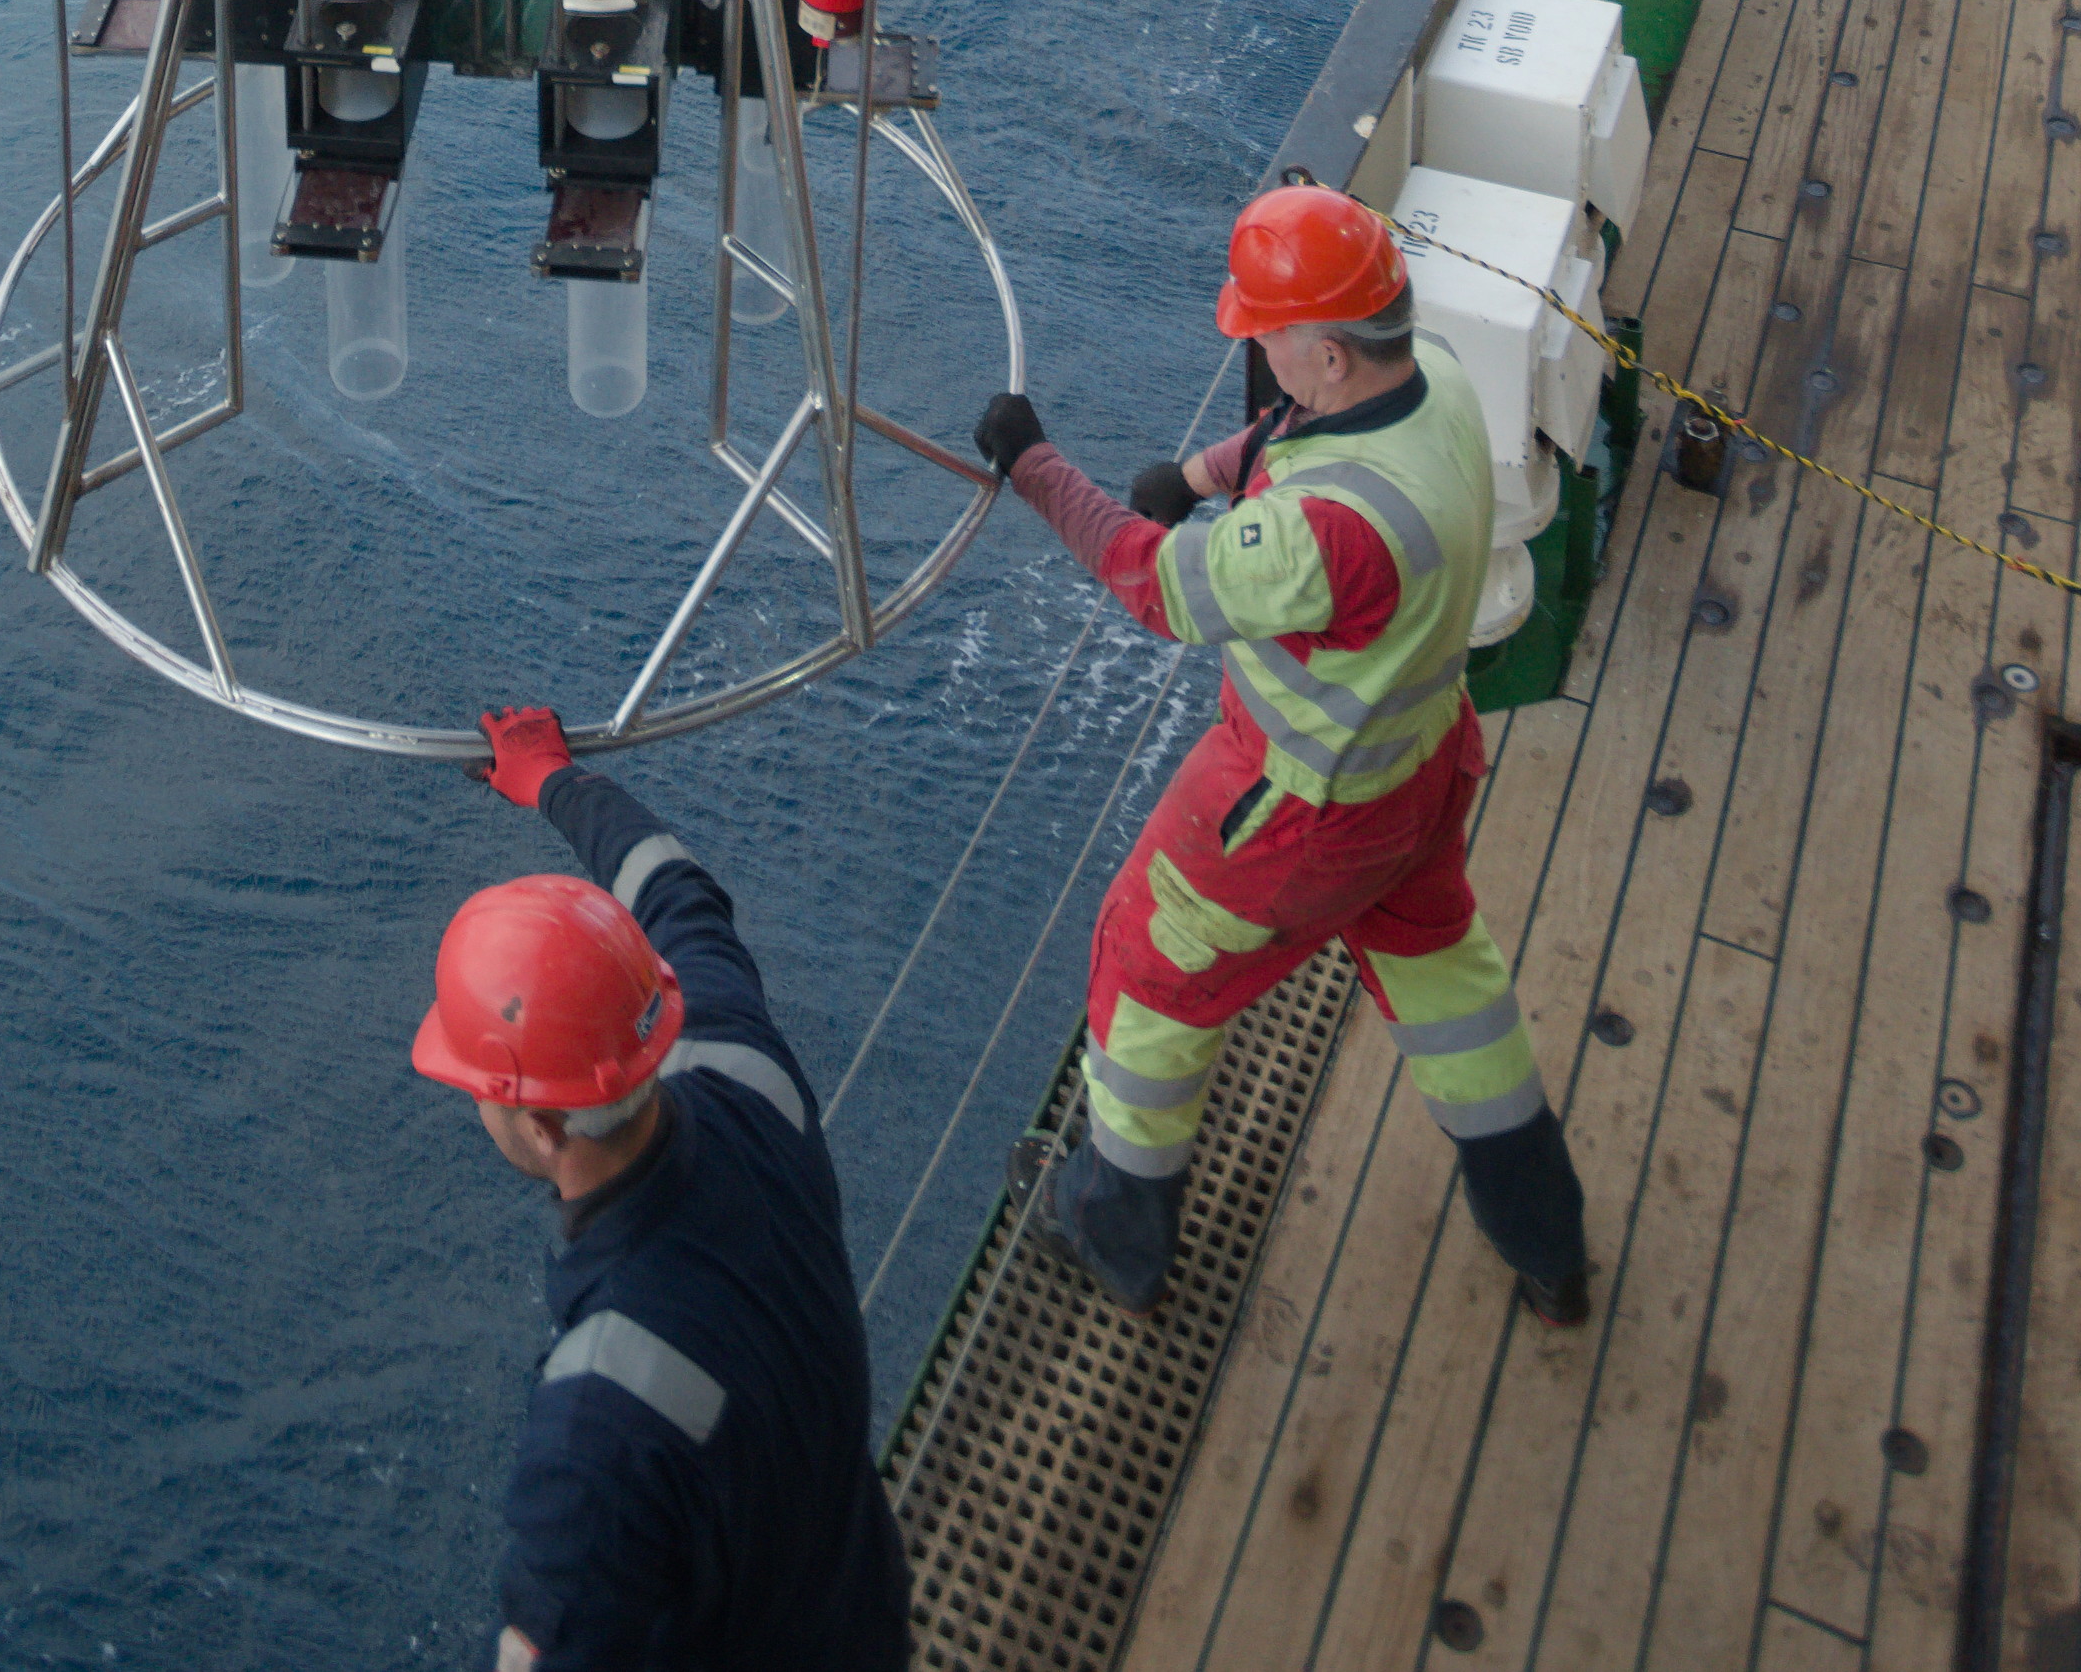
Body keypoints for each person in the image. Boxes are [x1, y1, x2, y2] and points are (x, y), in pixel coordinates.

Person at [973, 178, 1590, 1327]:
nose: (1253, 348)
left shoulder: (1321, 532)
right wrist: (1203, 474)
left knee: (1144, 967)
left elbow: (1155, 582)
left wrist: (1033, 463)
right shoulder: (1437, 382)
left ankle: (1113, 1231)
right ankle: (1544, 1235)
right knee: (1450, 989)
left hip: (1301, 810)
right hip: (1417, 771)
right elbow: (1298, 430)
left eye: (1265, 334)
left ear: (1324, 349)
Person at [418, 704, 909, 1672]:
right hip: (857, 1600)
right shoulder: (745, 1068)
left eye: (480, 1083)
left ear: (544, 1121)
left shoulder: (596, 1425)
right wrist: (555, 780)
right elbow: (675, 888)